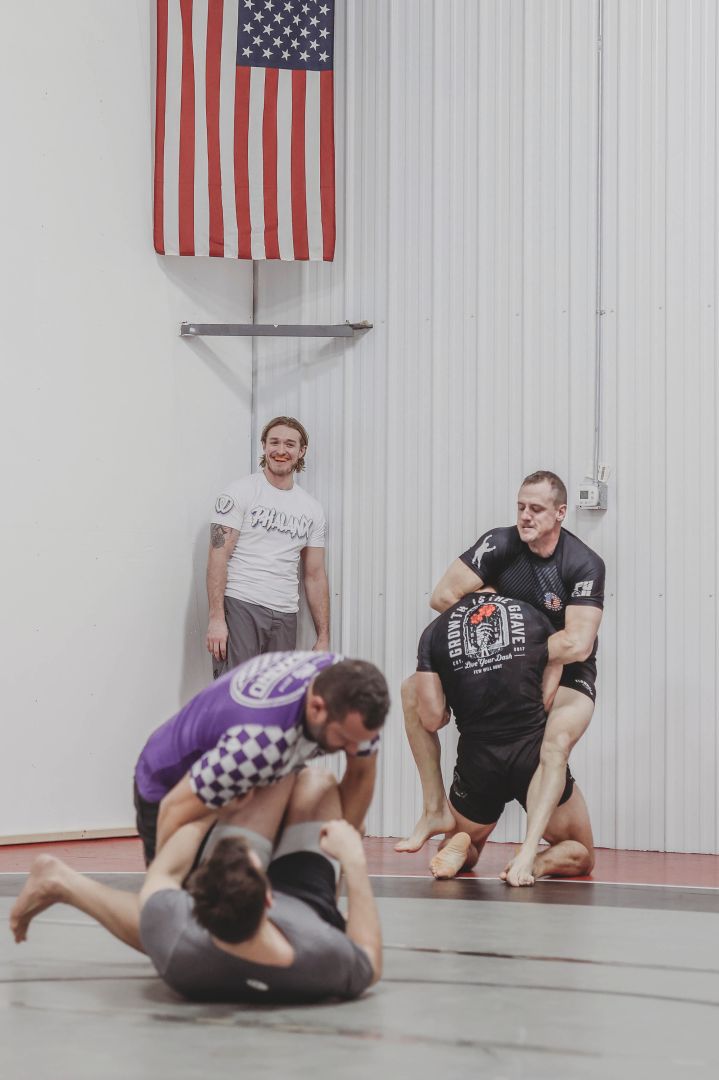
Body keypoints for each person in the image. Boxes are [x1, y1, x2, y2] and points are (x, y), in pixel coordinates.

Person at [11, 770, 382, 1004]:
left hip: (207, 921)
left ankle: (61, 881)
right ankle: (60, 881)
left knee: (274, 781)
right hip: (307, 900)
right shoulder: (321, 954)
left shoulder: (176, 941)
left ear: (194, 901)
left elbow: (165, 872)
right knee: (313, 782)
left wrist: (215, 810)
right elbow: (371, 959)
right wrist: (353, 859)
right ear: (268, 897)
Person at [397, 470, 604, 886]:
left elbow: (578, 644)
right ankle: (435, 807)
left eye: (537, 509)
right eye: (521, 507)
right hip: (500, 661)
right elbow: (442, 597)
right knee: (410, 691)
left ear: (561, 513)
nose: (525, 516)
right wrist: (488, 608)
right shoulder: (499, 543)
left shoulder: (583, 562)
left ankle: (528, 853)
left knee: (556, 742)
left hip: (564, 669)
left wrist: (522, 646)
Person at [402, 591, 594, 883]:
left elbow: (432, 718)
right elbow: (548, 694)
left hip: (478, 761)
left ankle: (461, 850)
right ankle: (534, 862)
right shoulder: (532, 616)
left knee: (464, 842)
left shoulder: (435, 631)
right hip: (531, 755)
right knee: (580, 852)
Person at [133, 650, 389, 863]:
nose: (353, 749)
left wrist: (344, 853)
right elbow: (173, 810)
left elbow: (361, 773)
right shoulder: (261, 741)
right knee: (193, 895)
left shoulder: (350, 693)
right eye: (344, 739)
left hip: (237, 766)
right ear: (317, 708)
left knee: (342, 822)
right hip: (168, 786)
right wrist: (163, 890)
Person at [207, 416, 329, 679]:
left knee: (273, 693)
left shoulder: (312, 509)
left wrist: (323, 637)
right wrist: (216, 618)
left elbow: (315, 575)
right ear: (264, 445)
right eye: (274, 442)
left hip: (286, 614)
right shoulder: (239, 492)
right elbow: (218, 555)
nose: (281, 450)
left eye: (290, 444)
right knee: (236, 690)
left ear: (301, 451)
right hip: (241, 605)